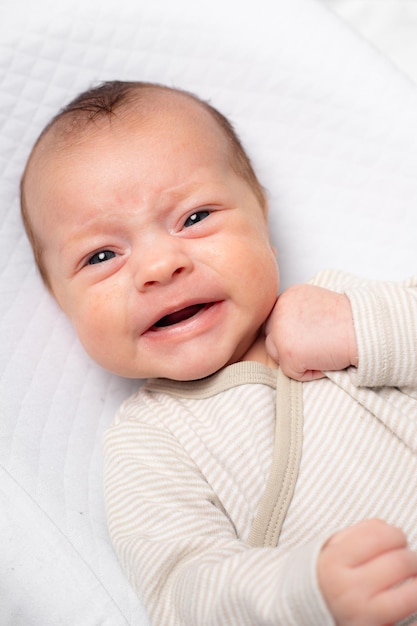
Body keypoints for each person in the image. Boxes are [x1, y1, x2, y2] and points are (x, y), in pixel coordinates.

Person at [20, 80, 417, 626]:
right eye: (102, 255)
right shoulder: (150, 444)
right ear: (61, 302)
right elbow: (185, 593)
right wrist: (304, 593)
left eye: (195, 217)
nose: (160, 266)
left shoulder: (344, 305)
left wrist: (362, 327)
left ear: (262, 220)